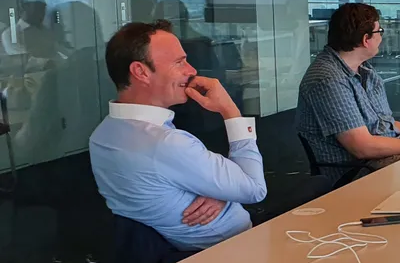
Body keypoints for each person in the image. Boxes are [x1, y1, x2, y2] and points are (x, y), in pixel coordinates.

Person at [88, 20, 267, 251]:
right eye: (179, 62)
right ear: (141, 72)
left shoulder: (102, 135)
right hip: (232, 253)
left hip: (172, 260)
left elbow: (164, 187)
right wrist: (230, 110)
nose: (191, 71)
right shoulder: (165, 144)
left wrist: (222, 191)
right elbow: (254, 188)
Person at [296, 3, 400, 186]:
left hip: (387, 155)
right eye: (379, 30)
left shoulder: (365, 71)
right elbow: (362, 147)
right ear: (366, 39)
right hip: (359, 171)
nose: (381, 37)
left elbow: (387, 124)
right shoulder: (327, 80)